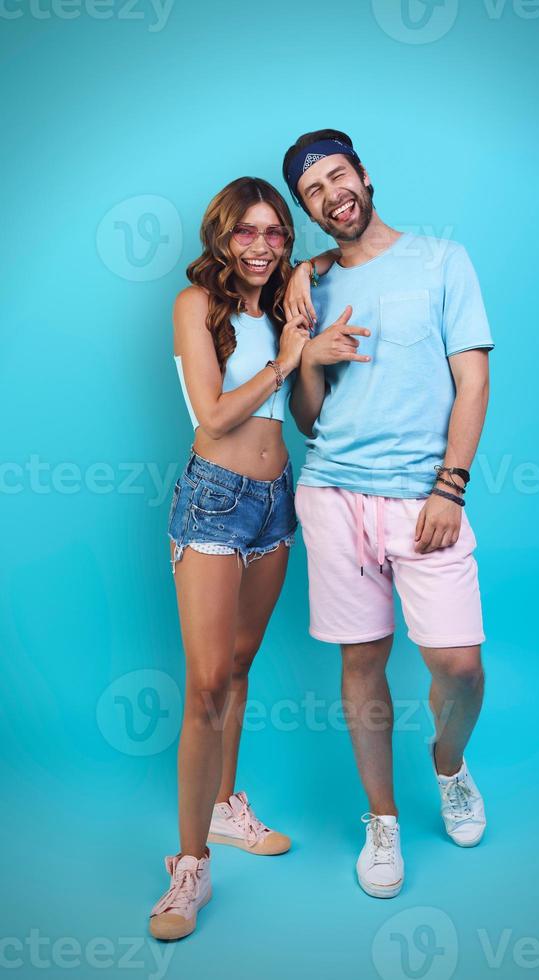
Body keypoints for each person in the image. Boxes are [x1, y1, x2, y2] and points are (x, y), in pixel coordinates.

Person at [283, 129, 495, 899]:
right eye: (313, 191)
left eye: (339, 176)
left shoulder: (443, 260)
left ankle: (449, 765)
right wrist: (308, 356)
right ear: (308, 209)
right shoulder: (306, 290)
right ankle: (383, 821)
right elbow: (307, 420)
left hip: (423, 499)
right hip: (334, 495)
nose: (332, 194)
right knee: (361, 662)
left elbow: (471, 383)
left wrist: (450, 486)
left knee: (459, 667)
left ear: (364, 176)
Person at [149, 177, 310, 940]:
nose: (261, 246)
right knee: (207, 683)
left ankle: (225, 805)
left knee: (241, 667)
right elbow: (213, 416)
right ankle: (190, 866)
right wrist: (284, 360)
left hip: (279, 499)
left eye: (275, 233)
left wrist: (315, 354)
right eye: (246, 232)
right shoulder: (194, 307)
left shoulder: (285, 309)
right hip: (214, 500)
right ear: (222, 236)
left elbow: (303, 412)